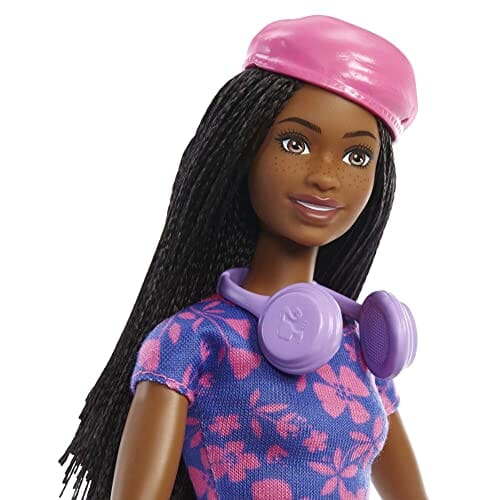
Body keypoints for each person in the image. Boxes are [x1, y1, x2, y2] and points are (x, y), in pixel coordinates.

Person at [59, 15, 427, 499]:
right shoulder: (195, 341)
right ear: (243, 148)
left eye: (356, 156)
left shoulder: (358, 348)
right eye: (295, 144)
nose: (326, 176)